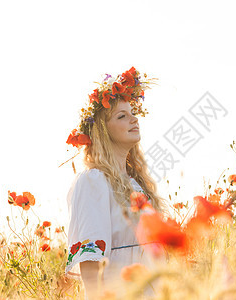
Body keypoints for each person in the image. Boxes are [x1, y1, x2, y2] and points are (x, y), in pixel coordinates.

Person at [64, 67, 166, 299]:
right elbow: (91, 264)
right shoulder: (93, 181)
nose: (134, 119)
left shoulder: (136, 184)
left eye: (132, 113)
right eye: (122, 116)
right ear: (103, 132)